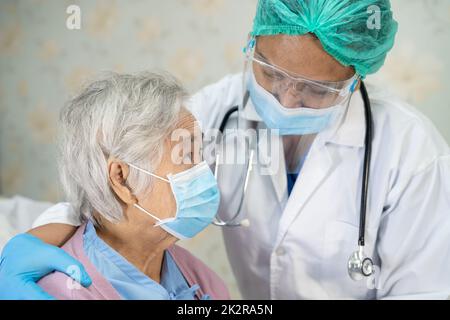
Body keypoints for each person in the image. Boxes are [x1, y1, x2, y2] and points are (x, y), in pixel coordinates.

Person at [1, 0, 450, 300]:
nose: (286, 99)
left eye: (315, 89)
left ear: (356, 78)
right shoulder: (219, 110)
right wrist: (30, 244)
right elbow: (115, 167)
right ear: (252, 44)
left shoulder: (409, 152)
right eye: (271, 72)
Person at [3, 71, 229, 300]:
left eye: (201, 153)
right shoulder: (62, 290)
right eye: (187, 155)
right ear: (121, 179)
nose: (204, 169)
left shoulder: (204, 282)